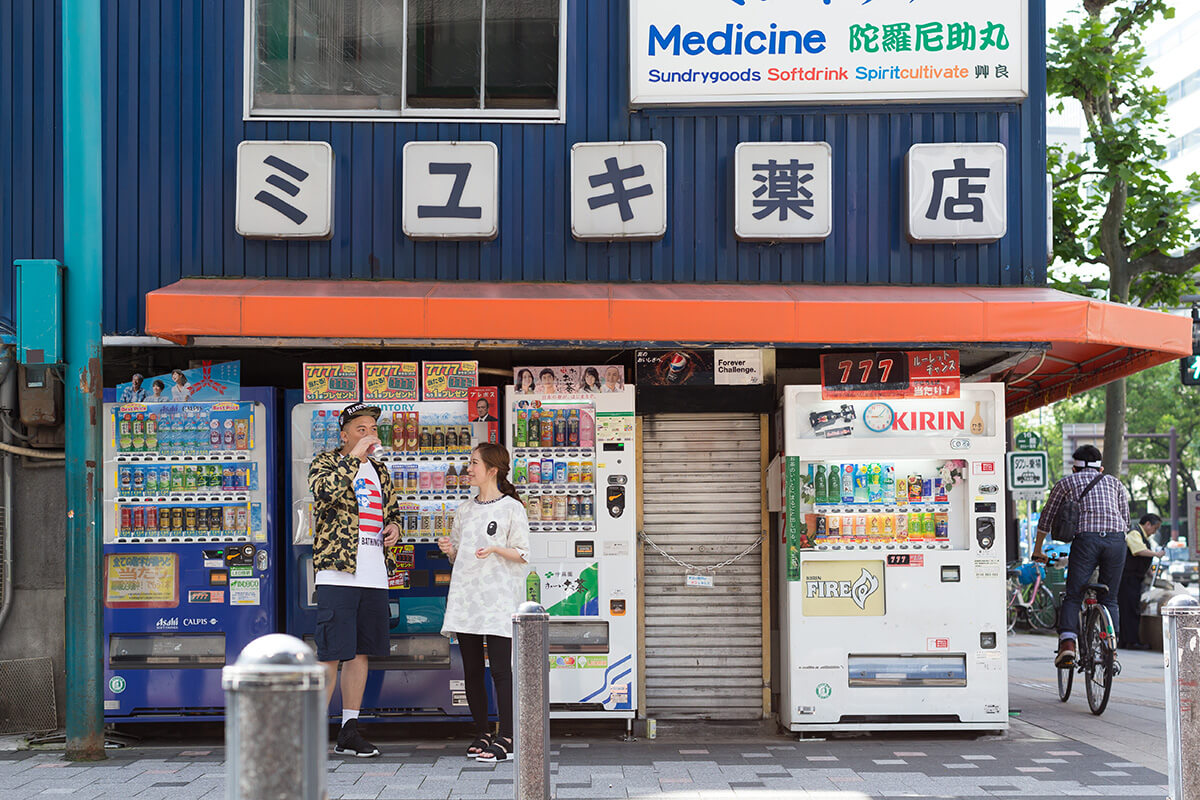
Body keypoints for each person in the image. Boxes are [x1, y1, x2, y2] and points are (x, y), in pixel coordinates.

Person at [308, 402, 403, 758]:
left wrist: (394, 526)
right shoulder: (326, 463)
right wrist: (354, 460)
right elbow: (323, 494)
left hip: (374, 572)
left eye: (373, 428)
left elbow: (391, 512)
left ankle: (349, 728)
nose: (369, 434)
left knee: (361, 652)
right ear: (345, 435)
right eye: (361, 428)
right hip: (338, 570)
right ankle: (312, 729)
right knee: (331, 653)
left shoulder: (381, 471)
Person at [438, 443, 530, 763]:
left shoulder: (512, 508)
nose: (469, 468)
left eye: (474, 463)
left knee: (501, 671)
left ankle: (508, 736)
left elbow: (522, 553)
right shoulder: (464, 510)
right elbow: (458, 558)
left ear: (492, 469)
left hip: (498, 599)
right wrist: (450, 549)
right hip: (467, 598)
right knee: (472, 670)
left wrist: (494, 549)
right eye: (469, 462)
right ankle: (482, 731)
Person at [1033, 445, 1131, 668]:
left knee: (1074, 595)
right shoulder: (1114, 483)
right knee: (1110, 598)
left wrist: (1038, 550)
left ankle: (1068, 644)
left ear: (1074, 468)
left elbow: (1046, 518)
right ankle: (1111, 652)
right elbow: (1126, 521)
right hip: (1116, 540)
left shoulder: (1066, 483)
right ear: (1101, 468)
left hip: (1086, 540)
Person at [1118, 513, 1165, 650]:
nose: (1154, 532)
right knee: (1130, 609)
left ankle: (1126, 641)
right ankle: (1132, 641)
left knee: (1129, 608)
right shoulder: (1135, 532)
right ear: (1148, 524)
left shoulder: (1142, 536)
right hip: (1128, 578)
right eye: (1155, 528)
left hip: (1134, 578)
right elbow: (1138, 551)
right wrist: (1156, 554)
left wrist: (1148, 571)